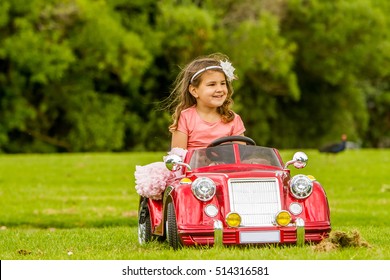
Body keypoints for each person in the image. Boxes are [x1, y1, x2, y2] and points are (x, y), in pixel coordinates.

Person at [167, 53, 246, 150]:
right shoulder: (186, 118)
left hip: (223, 165)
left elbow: (240, 156)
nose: (219, 89)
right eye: (212, 84)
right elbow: (178, 157)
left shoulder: (233, 120)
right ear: (194, 91)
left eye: (223, 83)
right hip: (194, 165)